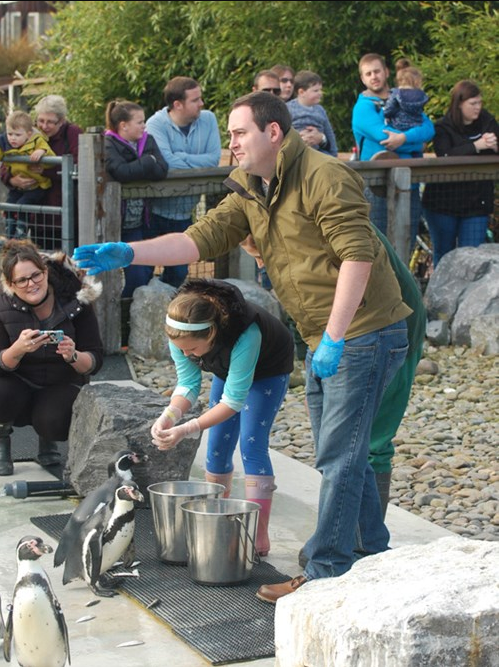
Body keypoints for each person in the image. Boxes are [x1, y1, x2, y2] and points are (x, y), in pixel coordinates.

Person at [73, 91, 411, 603]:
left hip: (365, 332)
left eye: (238, 133)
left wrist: (338, 336)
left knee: (338, 456)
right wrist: (127, 251)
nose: (229, 143)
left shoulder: (324, 176)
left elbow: (357, 258)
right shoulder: (253, 189)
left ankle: (325, 574)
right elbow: (197, 239)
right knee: (347, 455)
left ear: (273, 133)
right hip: (324, 334)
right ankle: (372, 554)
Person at [150, 278, 294, 556]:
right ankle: (216, 521)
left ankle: (257, 534)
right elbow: (188, 385)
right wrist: (169, 416)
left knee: (252, 444)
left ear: (212, 334)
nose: (186, 354)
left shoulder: (246, 334)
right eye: (181, 349)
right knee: (216, 448)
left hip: (269, 370)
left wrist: (187, 428)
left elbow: (233, 401)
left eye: (192, 349)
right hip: (228, 370)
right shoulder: (181, 335)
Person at [0, 238, 104, 476]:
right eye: (22, 280)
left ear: (45, 271)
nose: (32, 284)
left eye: (36, 275)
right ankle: (2, 437)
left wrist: (73, 355)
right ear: (10, 283)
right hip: (16, 381)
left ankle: (48, 439)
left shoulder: (77, 299)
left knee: (54, 421)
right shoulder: (2, 304)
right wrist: (17, 349)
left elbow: (95, 359)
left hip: (61, 382)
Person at [352, 53, 435, 250]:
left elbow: (429, 128)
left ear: (386, 72)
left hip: (410, 183)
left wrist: (404, 139)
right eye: (368, 73)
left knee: (408, 241)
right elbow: (386, 138)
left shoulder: (405, 98)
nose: (374, 76)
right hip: (376, 186)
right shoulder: (362, 108)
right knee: (379, 245)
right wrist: (416, 144)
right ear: (363, 78)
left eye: (377, 71)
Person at [145, 76, 221, 287]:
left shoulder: (208, 119)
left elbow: (214, 159)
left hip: (184, 212)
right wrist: (192, 163)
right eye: (195, 100)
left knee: (178, 273)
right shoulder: (155, 124)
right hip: (153, 212)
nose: (202, 103)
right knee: (142, 272)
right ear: (178, 104)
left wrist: (180, 157)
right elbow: (166, 162)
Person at [421, 80, 499, 267]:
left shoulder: (487, 121)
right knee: (444, 254)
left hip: (476, 202)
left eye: (479, 103)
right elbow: (446, 154)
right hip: (443, 203)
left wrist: (495, 146)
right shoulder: (442, 127)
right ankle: (439, 295)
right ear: (459, 104)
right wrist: (476, 146)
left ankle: (468, 296)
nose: (477, 108)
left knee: (472, 257)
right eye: (473, 104)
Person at [104, 99, 169, 298]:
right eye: (139, 122)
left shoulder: (146, 140)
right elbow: (121, 172)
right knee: (110, 273)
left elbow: (162, 170)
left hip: (140, 219)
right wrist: (147, 162)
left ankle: (130, 308)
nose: (144, 126)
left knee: (140, 272)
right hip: (113, 221)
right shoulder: (108, 143)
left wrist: (141, 166)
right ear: (124, 125)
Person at [1, 95, 83, 250]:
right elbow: (7, 157)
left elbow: (79, 164)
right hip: (36, 215)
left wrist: (47, 169)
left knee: (65, 261)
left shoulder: (72, 134)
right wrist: (11, 179)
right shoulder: (26, 133)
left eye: (50, 122)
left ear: (62, 120)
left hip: (62, 212)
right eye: (40, 121)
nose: (44, 126)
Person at [0, 111, 55, 240]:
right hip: (18, 185)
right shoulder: (4, 143)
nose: (13, 138)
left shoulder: (37, 141)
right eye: (10, 134)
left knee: (22, 205)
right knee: (9, 204)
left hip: (36, 185)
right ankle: (9, 231)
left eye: (17, 135)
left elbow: (51, 157)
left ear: (28, 134)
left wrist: (41, 151)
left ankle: (21, 231)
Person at [287, 70, 338, 156]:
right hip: (295, 152)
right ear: (301, 92)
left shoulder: (320, 110)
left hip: (318, 152)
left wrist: (333, 153)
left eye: (320, 90)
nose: (320, 93)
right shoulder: (288, 108)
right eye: (315, 91)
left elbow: (329, 134)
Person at [383, 66, 429, 133]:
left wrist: (385, 113)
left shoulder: (397, 93)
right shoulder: (422, 95)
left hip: (397, 126)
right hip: (417, 126)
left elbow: (389, 109)